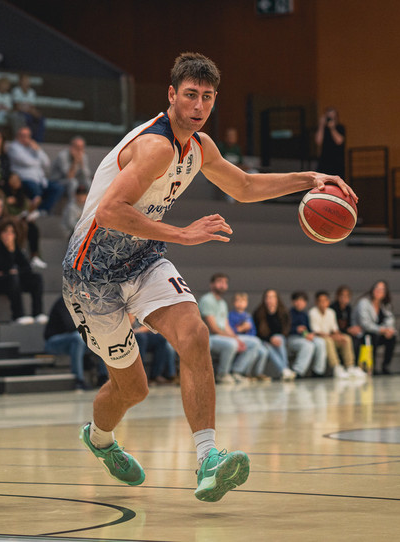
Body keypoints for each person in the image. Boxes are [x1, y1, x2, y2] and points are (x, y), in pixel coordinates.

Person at [62, 52, 354, 502]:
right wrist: (182, 234)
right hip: (91, 277)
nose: (199, 106)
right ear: (172, 96)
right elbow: (109, 211)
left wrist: (310, 177)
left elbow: (244, 186)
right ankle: (98, 438)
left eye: (208, 97)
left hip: (141, 259)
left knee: (195, 335)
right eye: (192, 95)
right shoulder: (155, 145)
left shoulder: (200, 147)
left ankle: (207, 459)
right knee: (133, 388)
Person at [198, 273, 264, 383]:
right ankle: (222, 374)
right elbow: (213, 328)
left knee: (255, 342)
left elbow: (226, 325)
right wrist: (234, 340)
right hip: (210, 337)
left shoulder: (223, 303)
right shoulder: (207, 300)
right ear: (212, 284)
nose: (223, 285)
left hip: (223, 336)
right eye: (219, 282)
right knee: (231, 344)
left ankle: (237, 372)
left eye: (225, 282)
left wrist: (236, 337)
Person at [0, 219, 46, 324]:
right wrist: (12, 270)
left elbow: (27, 268)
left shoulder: (16, 249)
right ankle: (18, 315)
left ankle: (38, 313)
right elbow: (1, 268)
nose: (8, 235)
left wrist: (14, 270)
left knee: (36, 278)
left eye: (12, 232)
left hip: (13, 280)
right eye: (5, 232)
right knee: (13, 278)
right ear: (0, 233)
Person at [7, 126, 64, 214]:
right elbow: (27, 162)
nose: (25, 138)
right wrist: (38, 161)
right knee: (35, 190)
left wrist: (38, 149)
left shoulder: (33, 147)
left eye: (27, 136)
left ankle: (42, 210)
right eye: (22, 135)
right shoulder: (14, 147)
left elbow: (46, 163)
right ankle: (34, 211)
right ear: (17, 136)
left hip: (40, 180)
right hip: (25, 179)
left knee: (58, 188)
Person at [309, 290, 363, 379]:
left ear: (328, 302)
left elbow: (335, 329)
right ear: (316, 302)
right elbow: (317, 332)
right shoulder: (313, 312)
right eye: (320, 301)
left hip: (330, 336)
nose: (323, 303)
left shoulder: (331, 312)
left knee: (346, 338)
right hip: (319, 338)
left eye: (325, 301)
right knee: (328, 341)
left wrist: (339, 336)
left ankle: (350, 366)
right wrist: (333, 336)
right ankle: (336, 367)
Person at [44, 296, 90, 390]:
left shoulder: (87, 303)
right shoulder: (64, 302)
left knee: (101, 339)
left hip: (76, 342)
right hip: (54, 342)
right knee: (78, 338)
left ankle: (103, 377)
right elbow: (70, 326)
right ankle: (78, 380)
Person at [354, 280, 397, 375]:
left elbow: (390, 319)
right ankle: (372, 367)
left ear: (385, 293)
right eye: (377, 288)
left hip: (379, 333)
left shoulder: (385, 305)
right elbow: (365, 324)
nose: (378, 291)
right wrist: (382, 330)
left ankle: (386, 366)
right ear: (372, 290)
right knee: (373, 336)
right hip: (364, 333)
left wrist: (388, 330)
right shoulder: (364, 303)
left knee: (392, 337)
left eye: (382, 290)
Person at [252, 289, 296, 381]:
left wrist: (274, 339)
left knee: (280, 339)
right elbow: (258, 333)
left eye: (272, 297)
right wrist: (269, 339)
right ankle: (284, 369)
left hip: (279, 339)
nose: (270, 299)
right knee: (268, 347)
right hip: (264, 340)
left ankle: (285, 369)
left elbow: (285, 330)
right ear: (264, 299)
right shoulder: (258, 312)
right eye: (267, 297)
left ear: (277, 299)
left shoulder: (283, 312)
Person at [227, 293, 271, 381]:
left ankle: (258, 372)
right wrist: (240, 329)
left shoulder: (248, 316)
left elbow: (253, 331)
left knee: (263, 351)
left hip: (250, 338)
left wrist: (248, 330)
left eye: (243, 301)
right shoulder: (230, 315)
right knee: (254, 347)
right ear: (233, 303)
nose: (240, 303)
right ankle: (241, 371)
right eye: (238, 301)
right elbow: (230, 330)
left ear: (246, 303)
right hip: (238, 337)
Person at [288, 291, 327, 377]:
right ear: (293, 302)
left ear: (305, 303)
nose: (299, 303)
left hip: (304, 337)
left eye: (302, 301)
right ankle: (298, 371)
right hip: (292, 338)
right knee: (308, 345)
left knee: (320, 342)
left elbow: (309, 329)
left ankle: (318, 371)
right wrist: (295, 329)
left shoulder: (305, 314)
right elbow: (285, 330)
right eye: (297, 300)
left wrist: (310, 334)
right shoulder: (288, 314)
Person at [132, 315, 178, 385]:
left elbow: (151, 325)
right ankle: (140, 376)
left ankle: (155, 375)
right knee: (141, 338)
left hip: (141, 332)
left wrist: (140, 330)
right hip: (130, 334)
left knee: (160, 339)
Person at [332, 285, 363, 361]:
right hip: (335, 333)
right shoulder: (333, 308)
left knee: (358, 338)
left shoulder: (348, 308)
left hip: (345, 332)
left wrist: (353, 329)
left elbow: (349, 323)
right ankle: (346, 365)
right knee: (346, 340)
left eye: (347, 296)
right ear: (337, 296)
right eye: (342, 295)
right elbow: (333, 326)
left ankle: (356, 364)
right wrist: (346, 331)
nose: (344, 298)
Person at [12, 73, 46, 142]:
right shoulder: (16, 91)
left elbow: (32, 106)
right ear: (20, 82)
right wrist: (29, 110)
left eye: (27, 80)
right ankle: (26, 140)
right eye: (24, 80)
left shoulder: (32, 92)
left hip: (29, 113)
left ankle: (38, 141)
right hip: (21, 113)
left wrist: (35, 113)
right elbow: (17, 106)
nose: (26, 82)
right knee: (26, 119)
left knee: (41, 118)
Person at [315, 107, 346, 179]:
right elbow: (318, 141)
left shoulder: (340, 128)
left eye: (333, 117)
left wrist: (332, 128)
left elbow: (339, 141)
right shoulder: (323, 129)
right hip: (324, 161)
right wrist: (321, 125)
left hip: (337, 162)